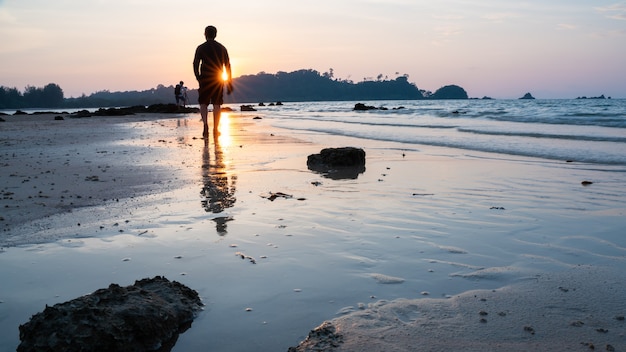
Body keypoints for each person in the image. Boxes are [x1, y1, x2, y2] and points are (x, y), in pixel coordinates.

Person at [193, 25, 233, 138]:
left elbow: (195, 63)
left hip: (205, 78)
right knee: (217, 103)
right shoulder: (222, 48)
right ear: (215, 34)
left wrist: (198, 77)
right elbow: (227, 65)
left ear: (205, 34)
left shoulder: (201, 47)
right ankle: (215, 128)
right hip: (217, 78)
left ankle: (205, 125)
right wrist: (229, 81)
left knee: (203, 103)